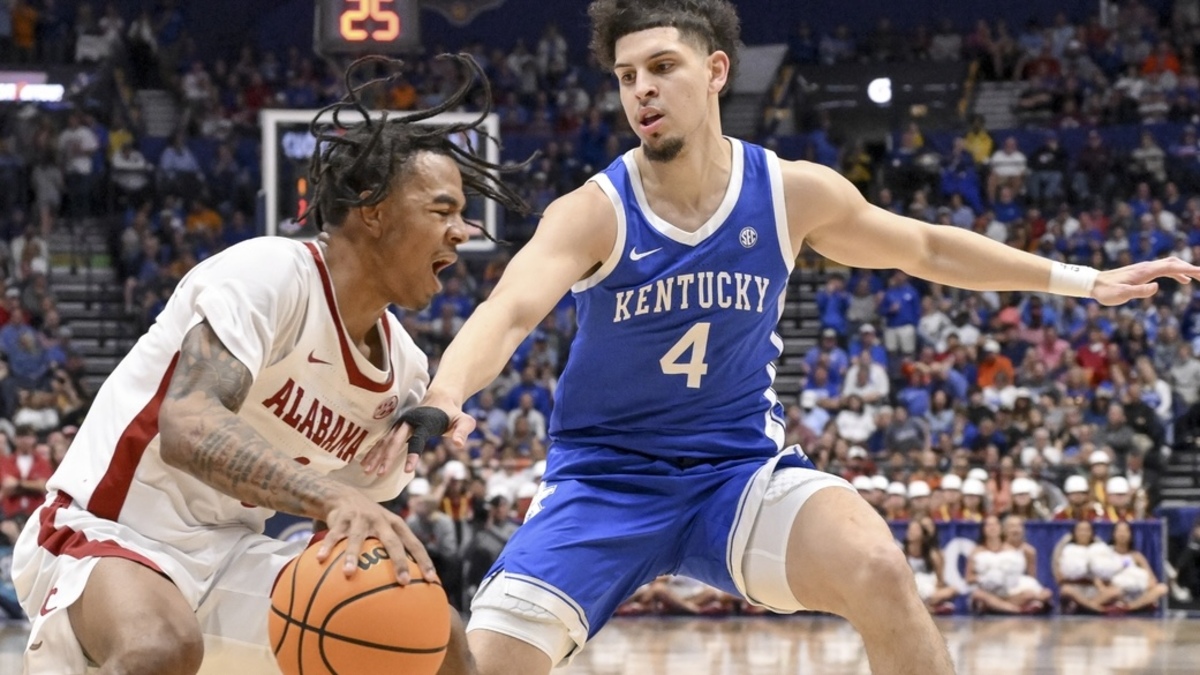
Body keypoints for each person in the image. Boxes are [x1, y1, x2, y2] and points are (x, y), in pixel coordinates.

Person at [363, 2, 1200, 673]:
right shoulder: (593, 209)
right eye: (626, 76)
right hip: (604, 483)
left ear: (716, 70)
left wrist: (1085, 281)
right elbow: (510, 308)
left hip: (737, 472)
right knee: (488, 662)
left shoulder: (790, 192)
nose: (641, 91)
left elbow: (926, 247)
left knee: (877, 565)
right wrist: (444, 392)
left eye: (662, 67)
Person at [10, 55, 528, 675]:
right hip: (107, 532)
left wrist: (388, 483)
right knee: (159, 649)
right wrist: (332, 497)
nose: (462, 231)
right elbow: (189, 427)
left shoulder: (405, 372)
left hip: (231, 551)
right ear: (374, 208)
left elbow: (360, 502)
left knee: (432, 636)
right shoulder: (270, 274)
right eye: (442, 210)